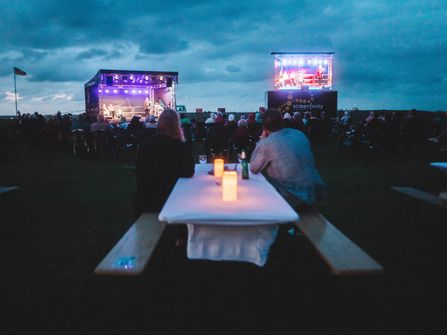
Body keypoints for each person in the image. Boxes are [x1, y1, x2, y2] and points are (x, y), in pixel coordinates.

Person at [250, 108, 325, 208]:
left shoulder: (267, 143)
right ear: (282, 121)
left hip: (293, 196)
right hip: (315, 191)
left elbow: (253, 168)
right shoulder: (299, 134)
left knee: (257, 194)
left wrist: (260, 141)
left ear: (264, 127)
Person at [133, 108, 195, 216]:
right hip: (172, 201)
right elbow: (189, 172)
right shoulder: (180, 147)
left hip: (145, 200)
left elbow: (138, 170)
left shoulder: (145, 144)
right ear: (176, 125)